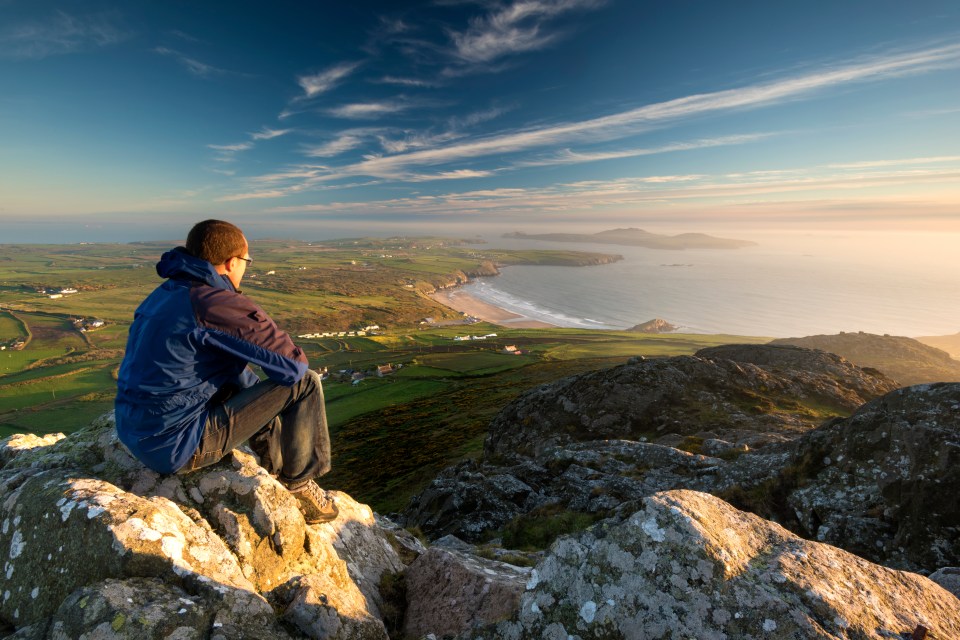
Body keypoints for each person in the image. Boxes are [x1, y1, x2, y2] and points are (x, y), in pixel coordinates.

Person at [114, 219, 338, 524]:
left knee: (244, 379)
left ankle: (272, 469)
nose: (246, 267)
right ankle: (298, 483)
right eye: (246, 261)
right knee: (306, 383)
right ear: (232, 262)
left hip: (136, 431)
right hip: (175, 446)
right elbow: (293, 368)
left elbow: (226, 370)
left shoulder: (168, 292)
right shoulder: (213, 303)